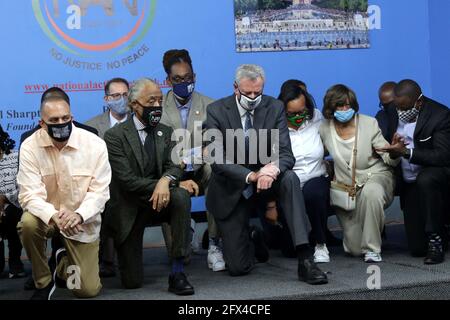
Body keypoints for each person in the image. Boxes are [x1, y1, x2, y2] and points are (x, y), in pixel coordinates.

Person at [205, 64, 328, 285]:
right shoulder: (216, 110)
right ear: (235, 88)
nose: (253, 97)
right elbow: (217, 160)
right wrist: (252, 176)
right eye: (247, 93)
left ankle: (305, 259)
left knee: (290, 178)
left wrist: (270, 171)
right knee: (238, 268)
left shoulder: (274, 107)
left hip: (267, 181)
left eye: (258, 92)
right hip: (234, 187)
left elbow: (285, 153)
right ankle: (254, 236)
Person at [103, 78, 195, 295]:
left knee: (181, 196)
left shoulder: (166, 131)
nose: (156, 106)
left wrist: (166, 181)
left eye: (160, 101)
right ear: (134, 104)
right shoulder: (114, 136)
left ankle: (178, 271)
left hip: (159, 204)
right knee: (132, 282)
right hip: (130, 207)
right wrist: (161, 184)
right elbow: (127, 180)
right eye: (151, 101)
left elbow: (174, 165)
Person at [17, 93, 111, 300]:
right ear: (42, 123)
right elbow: (28, 194)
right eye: (54, 120)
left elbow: (100, 192)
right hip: (47, 218)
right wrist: (54, 216)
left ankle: (61, 265)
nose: (61, 123)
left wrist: (79, 214)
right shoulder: (29, 146)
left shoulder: (94, 144)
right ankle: (43, 281)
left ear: (71, 117)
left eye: (65, 118)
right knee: (27, 224)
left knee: (84, 289)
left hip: (80, 223)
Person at [160, 49, 225, 272]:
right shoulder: (157, 108)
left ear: (194, 77)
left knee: (217, 172)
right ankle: (183, 229)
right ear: (168, 80)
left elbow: (216, 145)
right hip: (170, 171)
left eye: (188, 78)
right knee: (180, 257)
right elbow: (159, 150)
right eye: (177, 79)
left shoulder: (212, 105)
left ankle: (215, 243)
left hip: (200, 169)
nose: (184, 83)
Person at [319, 84, 398, 263]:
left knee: (372, 193)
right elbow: (317, 152)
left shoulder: (369, 123)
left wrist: (394, 152)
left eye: (349, 105)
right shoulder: (324, 128)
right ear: (331, 108)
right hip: (346, 188)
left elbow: (387, 156)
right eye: (340, 106)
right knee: (354, 249)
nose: (345, 109)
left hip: (376, 176)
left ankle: (373, 249)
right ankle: (371, 228)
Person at [377, 79, 450, 264]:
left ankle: (436, 239)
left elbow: (443, 156)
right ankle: (441, 230)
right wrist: (392, 151)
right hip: (408, 181)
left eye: (404, 107)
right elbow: (385, 143)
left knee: (426, 179)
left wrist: (407, 152)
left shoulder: (440, 115)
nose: (400, 112)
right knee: (417, 249)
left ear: (418, 101)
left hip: (433, 176)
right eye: (397, 107)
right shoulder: (393, 113)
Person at [266, 82, 331, 263]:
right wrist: (271, 205)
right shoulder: (273, 127)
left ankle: (320, 244)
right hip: (288, 185)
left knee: (313, 193)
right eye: (292, 114)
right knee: (290, 250)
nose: (298, 117)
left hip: (316, 177)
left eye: (302, 111)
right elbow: (266, 165)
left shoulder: (317, 118)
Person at [85, 77, 130, 278]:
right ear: (106, 99)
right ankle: (107, 259)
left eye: (126, 95)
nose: (122, 99)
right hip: (104, 185)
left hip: (134, 183)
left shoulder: (141, 123)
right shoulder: (91, 127)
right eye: (116, 95)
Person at [0, 125, 25, 278]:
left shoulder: (16, 157)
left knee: (10, 214)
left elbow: (24, 185)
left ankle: (15, 262)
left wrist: (4, 198)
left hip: (16, 204)